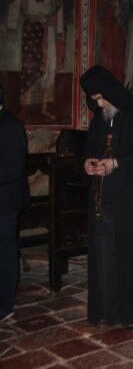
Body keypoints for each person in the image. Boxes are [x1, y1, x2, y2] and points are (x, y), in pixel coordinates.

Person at [80, 65, 133, 327]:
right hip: (102, 198)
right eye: (94, 100)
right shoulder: (100, 120)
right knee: (102, 253)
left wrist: (117, 163)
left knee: (124, 255)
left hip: (128, 200)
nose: (99, 104)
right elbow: (90, 148)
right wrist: (88, 162)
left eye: (101, 98)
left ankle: (126, 312)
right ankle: (104, 309)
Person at [0, 83, 29, 322]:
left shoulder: (10, 125)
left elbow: (14, 167)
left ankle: (4, 305)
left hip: (5, 201)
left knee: (5, 251)